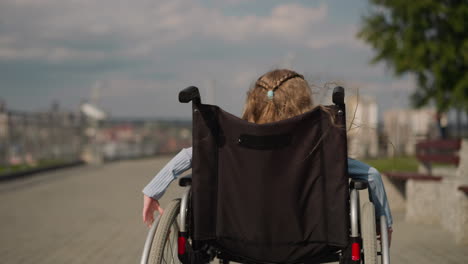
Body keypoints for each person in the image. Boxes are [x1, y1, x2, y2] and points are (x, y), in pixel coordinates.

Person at [142, 69, 393, 244]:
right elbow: (372, 175)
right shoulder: (318, 149)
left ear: (254, 102)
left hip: (234, 237)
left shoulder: (230, 147)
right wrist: (386, 224)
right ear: (303, 102)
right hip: (309, 240)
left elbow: (190, 155)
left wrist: (153, 191)